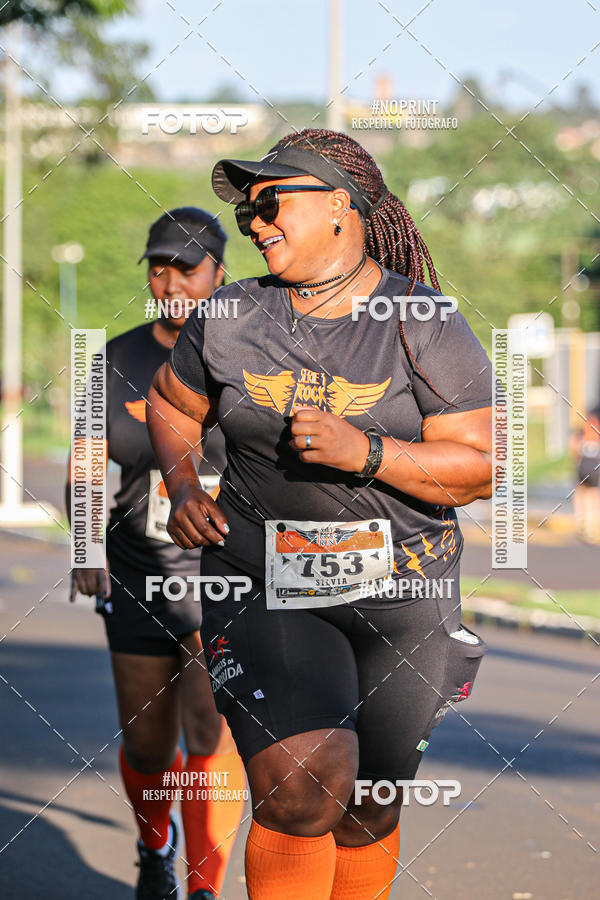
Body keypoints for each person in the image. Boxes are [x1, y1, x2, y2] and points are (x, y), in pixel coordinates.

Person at [147, 130, 493, 900]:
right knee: (304, 785)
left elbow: (479, 468)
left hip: (406, 594)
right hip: (261, 580)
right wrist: (182, 486)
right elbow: (171, 407)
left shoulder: (423, 319)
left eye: (271, 203)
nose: (256, 222)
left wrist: (364, 452)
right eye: (245, 215)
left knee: (368, 804)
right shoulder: (229, 315)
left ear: (340, 204)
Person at [66, 208, 245, 900]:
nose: (170, 278)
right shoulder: (117, 359)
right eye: (159, 266)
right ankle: (154, 846)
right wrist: (85, 544)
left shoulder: (248, 353)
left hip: (224, 569)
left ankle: (203, 886)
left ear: (218, 274)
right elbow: (85, 461)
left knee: (210, 729)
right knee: (148, 744)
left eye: (187, 267)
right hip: (137, 566)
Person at [570, 406, 600, 543]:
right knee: (592, 496)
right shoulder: (596, 431)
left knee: (581, 492)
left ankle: (580, 521)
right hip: (594, 465)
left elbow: (574, 446)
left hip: (583, 464)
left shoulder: (582, 431)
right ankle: (590, 527)